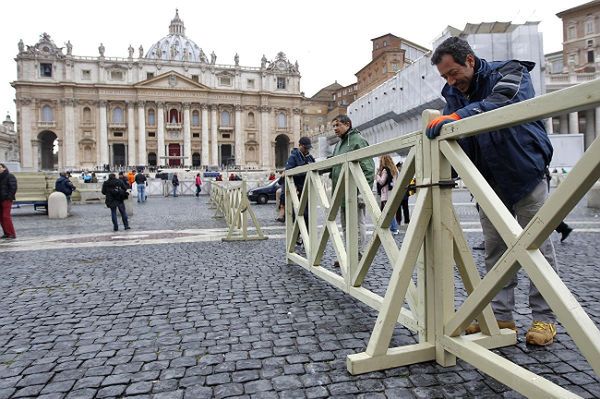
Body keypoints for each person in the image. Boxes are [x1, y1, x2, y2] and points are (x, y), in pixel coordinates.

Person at [427, 37, 557, 346]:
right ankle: (501, 316)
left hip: (526, 174)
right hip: (488, 182)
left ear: (470, 60)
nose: (450, 81)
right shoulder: (453, 94)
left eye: (453, 72)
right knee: (495, 251)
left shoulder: (511, 72)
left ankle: (546, 318)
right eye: (444, 76)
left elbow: (503, 100)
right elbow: (457, 141)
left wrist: (457, 117)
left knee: (537, 248)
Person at [331, 114, 375, 266]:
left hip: (355, 192)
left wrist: (364, 193)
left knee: (357, 224)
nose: (335, 129)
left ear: (347, 124)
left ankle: (358, 255)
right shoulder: (338, 145)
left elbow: (368, 168)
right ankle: (349, 254)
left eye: (337, 125)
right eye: (333, 126)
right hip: (341, 193)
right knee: (345, 226)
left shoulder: (358, 141)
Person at [284, 137, 316, 244]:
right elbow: (288, 172)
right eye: (305, 148)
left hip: (308, 189)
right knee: (299, 214)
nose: (307, 150)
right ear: (300, 145)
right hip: (297, 189)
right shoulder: (293, 157)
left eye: (308, 148)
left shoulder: (310, 157)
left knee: (308, 214)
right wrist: (305, 169)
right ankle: (298, 235)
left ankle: (307, 236)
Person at [376, 155, 400, 235]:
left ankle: (393, 228)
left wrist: (377, 176)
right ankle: (392, 228)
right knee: (391, 211)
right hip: (393, 193)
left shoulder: (385, 170)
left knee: (388, 212)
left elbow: (382, 181)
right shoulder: (395, 170)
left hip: (386, 194)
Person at [0, 163, 17, 240]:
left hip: (6, 199)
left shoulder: (10, 176)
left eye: (0, 167)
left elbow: (13, 188)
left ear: (4, 168)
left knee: (6, 216)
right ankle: (6, 233)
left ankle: (12, 234)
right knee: (1, 217)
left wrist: (9, 197)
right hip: (0, 199)